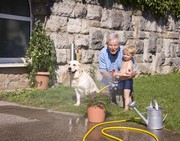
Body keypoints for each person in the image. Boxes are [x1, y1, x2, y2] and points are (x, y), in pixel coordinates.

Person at [98, 32, 136, 106]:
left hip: (123, 84)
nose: (113, 48)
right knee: (101, 103)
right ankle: (109, 97)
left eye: (115, 45)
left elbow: (134, 71)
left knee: (122, 104)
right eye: (110, 45)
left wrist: (131, 74)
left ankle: (124, 98)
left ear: (119, 44)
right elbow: (102, 71)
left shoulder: (125, 51)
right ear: (107, 44)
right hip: (107, 82)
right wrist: (111, 77)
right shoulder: (103, 52)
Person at [113, 44, 137, 111]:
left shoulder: (129, 63)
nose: (125, 56)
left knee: (126, 95)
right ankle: (131, 107)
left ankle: (126, 108)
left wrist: (117, 74)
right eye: (124, 54)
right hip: (123, 80)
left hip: (127, 81)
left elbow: (128, 74)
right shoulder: (124, 61)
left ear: (132, 55)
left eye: (128, 55)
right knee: (128, 95)